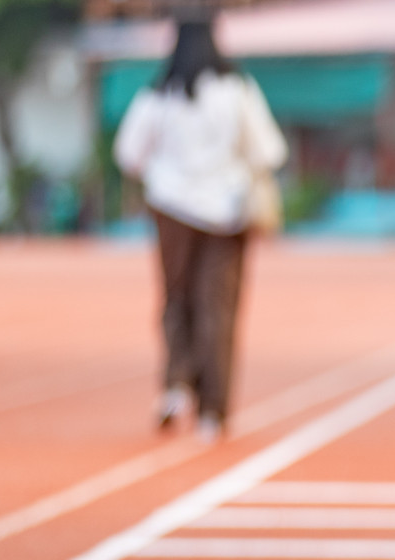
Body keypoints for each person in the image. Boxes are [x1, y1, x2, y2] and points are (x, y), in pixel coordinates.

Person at [113, 17, 287, 442]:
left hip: (171, 211)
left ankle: (175, 386)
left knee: (177, 300)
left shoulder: (158, 93)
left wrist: (167, 170)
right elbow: (269, 151)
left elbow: (128, 154)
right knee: (218, 309)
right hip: (225, 214)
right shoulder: (237, 90)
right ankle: (213, 411)